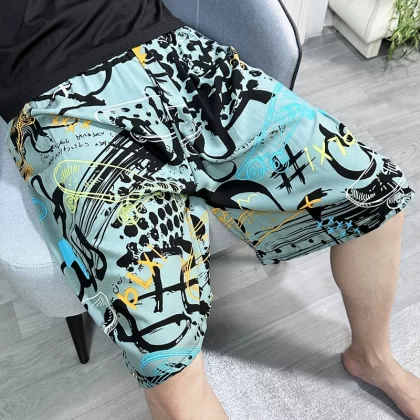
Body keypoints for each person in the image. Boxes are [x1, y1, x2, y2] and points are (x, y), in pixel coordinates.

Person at [1, 0, 418, 418]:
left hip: (171, 50)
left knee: (373, 190)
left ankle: (373, 357)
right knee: (163, 354)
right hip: (55, 102)